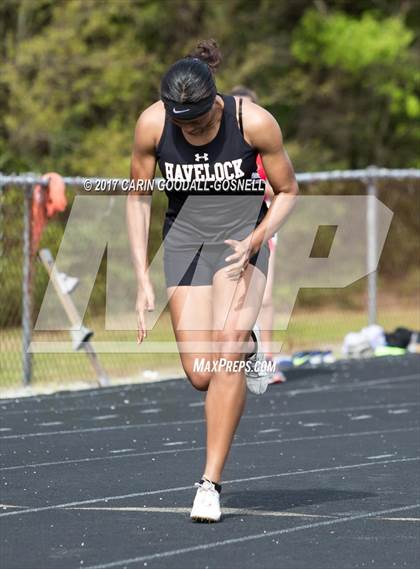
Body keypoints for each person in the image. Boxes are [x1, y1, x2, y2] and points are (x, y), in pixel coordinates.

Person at [127, 39, 298, 523]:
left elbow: (288, 191)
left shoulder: (255, 122)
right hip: (184, 244)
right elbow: (138, 199)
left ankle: (209, 483)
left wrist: (259, 237)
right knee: (200, 372)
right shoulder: (152, 125)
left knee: (225, 347)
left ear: (216, 103)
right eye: (185, 126)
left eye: (202, 124)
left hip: (240, 241)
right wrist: (142, 277)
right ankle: (248, 348)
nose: (194, 133)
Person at [229, 87, 284, 380]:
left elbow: (280, 189)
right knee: (231, 299)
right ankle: (240, 356)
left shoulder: (261, 146)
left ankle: (268, 361)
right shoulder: (218, 146)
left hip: (260, 228)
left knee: (264, 297)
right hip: (225, 231)